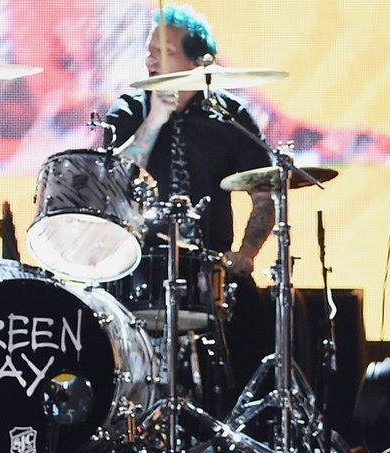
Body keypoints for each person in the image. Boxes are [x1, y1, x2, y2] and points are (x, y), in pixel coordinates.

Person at [105, 5, 275, 392]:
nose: (150, 59)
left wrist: (246, 255)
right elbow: (111, 180)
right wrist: (154, 121)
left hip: (212, 268)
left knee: (256, 324)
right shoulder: (131, 108)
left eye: (164, 51)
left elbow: (264, 198)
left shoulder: (230, 116)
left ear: (199, 62)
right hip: (138, 264)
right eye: (149, 50)